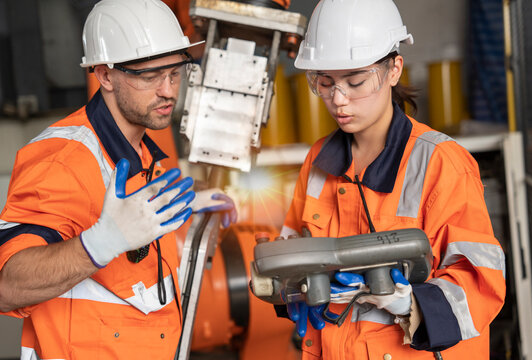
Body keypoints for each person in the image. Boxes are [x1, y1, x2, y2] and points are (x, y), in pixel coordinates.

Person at [0, 0, 236, 358]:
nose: (169, 90)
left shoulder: (143, 154)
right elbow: (8, 286)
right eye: (150, 76)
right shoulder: (62, 160)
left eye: (175, 73)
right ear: (105, 75)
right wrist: (98, 244)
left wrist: (188, 205)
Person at [279, 0, 506, 359]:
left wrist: (410, 303)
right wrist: (288, 289)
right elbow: (289, 253)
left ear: (394, 69)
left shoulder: (440, 162)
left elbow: (481, 281)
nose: (339, 100)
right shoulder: (318, 161)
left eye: (355, 82)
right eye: (325, 82)